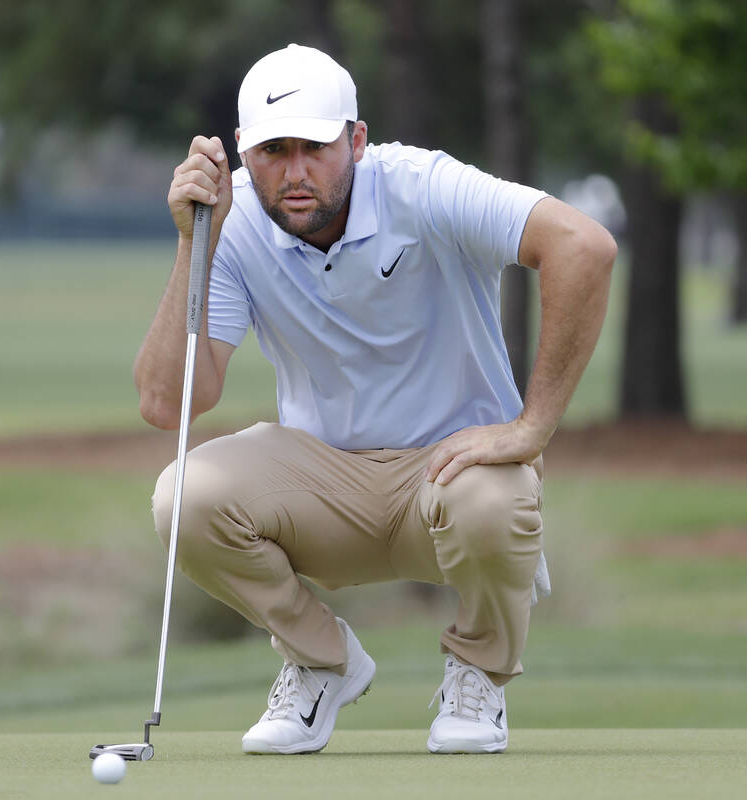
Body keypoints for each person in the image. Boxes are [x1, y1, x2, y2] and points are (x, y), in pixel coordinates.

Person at [135, 44, 615, 755]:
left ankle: (479, 675)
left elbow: (584, 246)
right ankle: (321, 661)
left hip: (447, 482)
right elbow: (169, 402)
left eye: (314, 147)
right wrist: (192, 243)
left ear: (356, 141)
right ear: (243, 149)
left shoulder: (423, 186)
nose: (295, 172)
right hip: (323, 489)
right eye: (273, 150)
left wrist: (531, 427)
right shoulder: (231, 221)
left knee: (494, 496)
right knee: (185, 497)